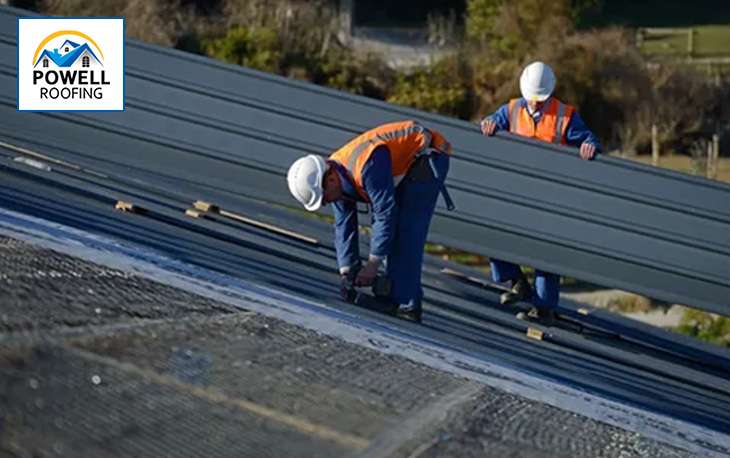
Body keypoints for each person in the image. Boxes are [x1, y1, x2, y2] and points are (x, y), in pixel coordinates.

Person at [287, 120, 452, 322]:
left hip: (428, 157)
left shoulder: (366, 164)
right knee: (389, 230)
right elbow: (343, 225)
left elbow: (385, 213)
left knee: (406, 230)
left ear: (330, 179)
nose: (325, 203)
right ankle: (398, 293)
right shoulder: (335, 176)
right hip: (406, 163)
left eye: (324, 198)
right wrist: (347, 271)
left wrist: (372, 265)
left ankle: (406, 303)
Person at [480, 61, 601, 325]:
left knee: (545, 252)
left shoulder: (565, 115)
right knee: (492, 231)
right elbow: (491, 122)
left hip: (550, 195)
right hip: (515, 191)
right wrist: (488, 123)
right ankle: (515, 281)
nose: (535, 104)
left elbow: (589, 139)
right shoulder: (511, 110)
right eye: (531, 99)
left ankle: (543, 308)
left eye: (540, 100)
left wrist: (589, 146)